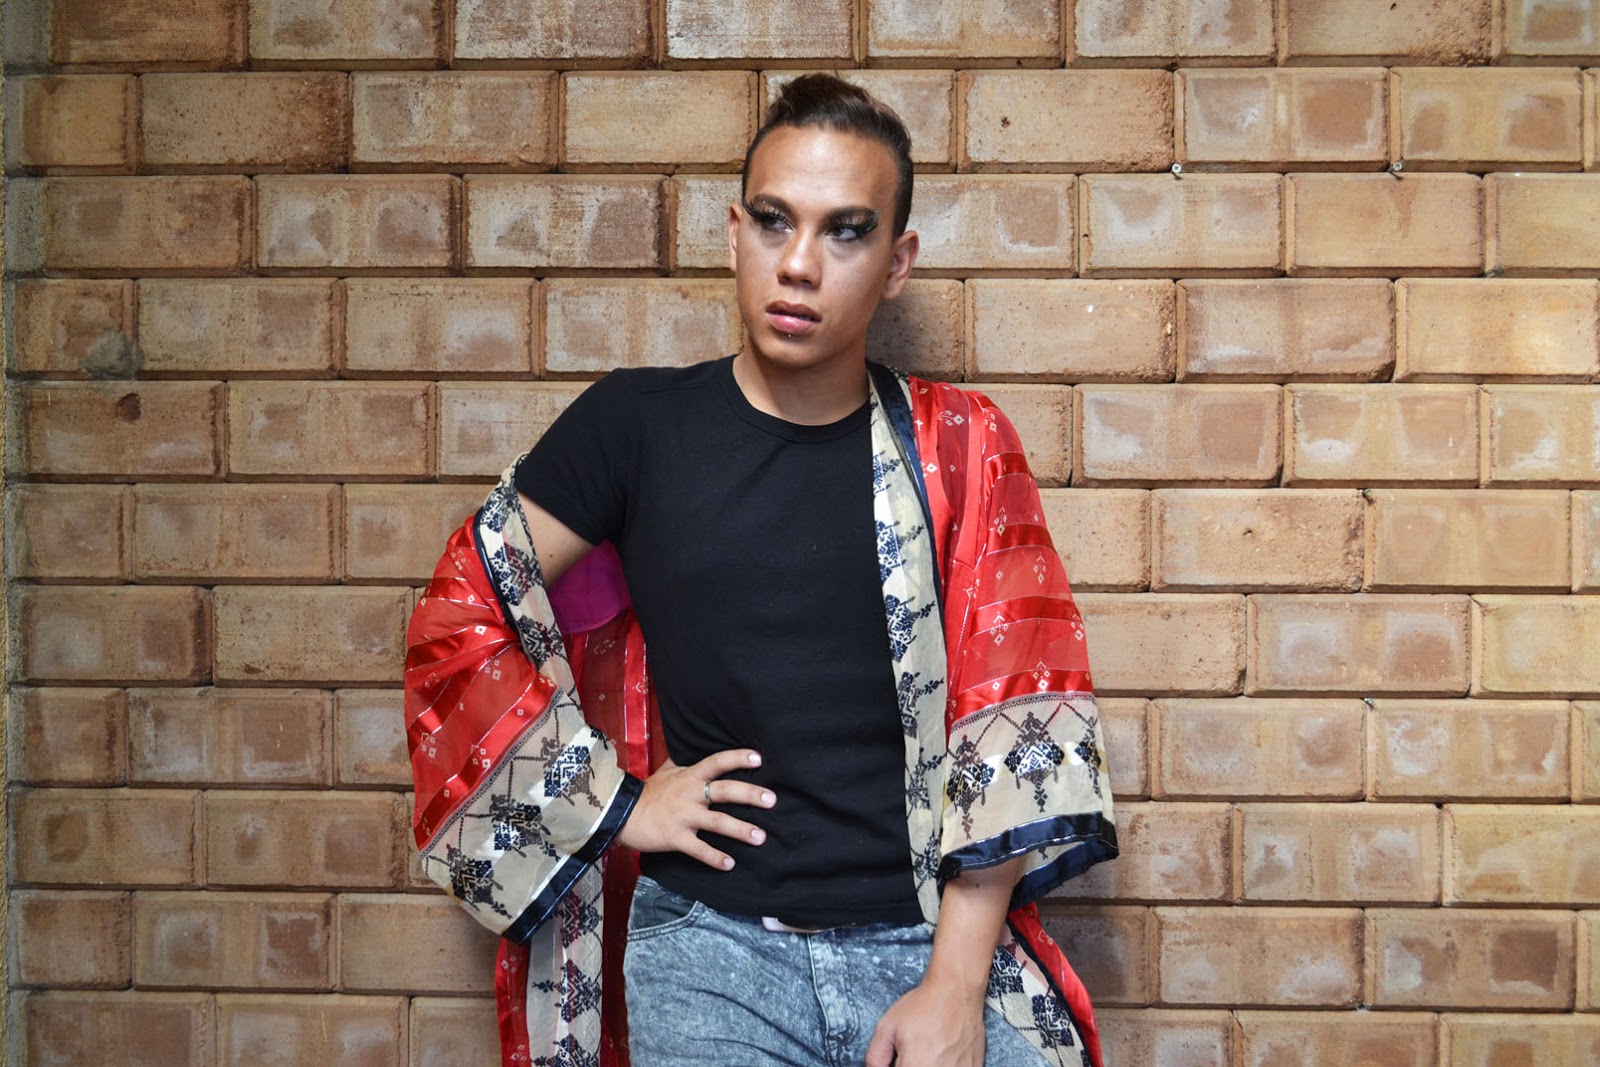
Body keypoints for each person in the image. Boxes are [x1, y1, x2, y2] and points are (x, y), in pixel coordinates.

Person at [404, 74, 1117, 1067]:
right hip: (710, 954)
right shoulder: (635, 428)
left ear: (897, 262)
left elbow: (1013, 715)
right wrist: (617, 800)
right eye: (775, 221)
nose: (799, 264)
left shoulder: (960, 444)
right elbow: (462, 607)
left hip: (927, 941)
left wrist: (954, 987)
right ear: (734, 234)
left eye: (845, 232)